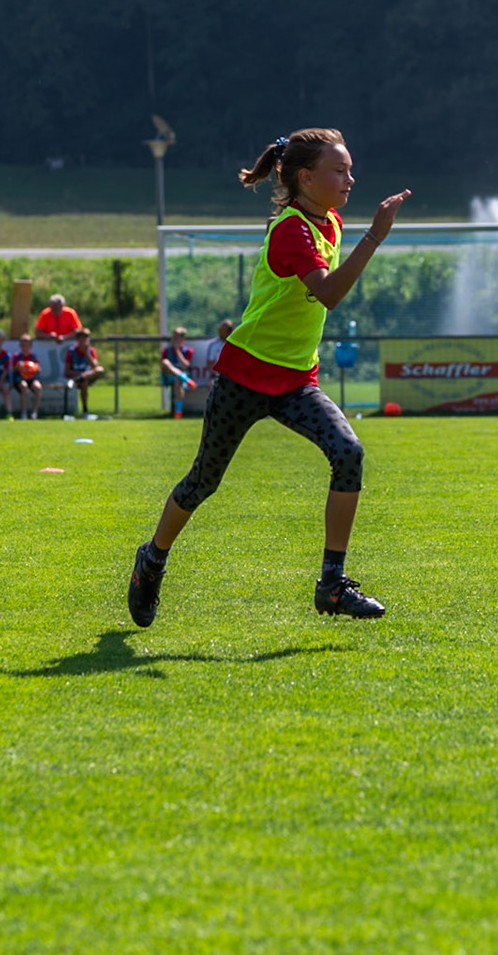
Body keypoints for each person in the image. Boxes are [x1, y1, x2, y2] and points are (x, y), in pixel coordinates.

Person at [126, 128, 411, 626]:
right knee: (203, 482)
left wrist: (364, 234)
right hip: (246, 376)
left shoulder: (330, 222)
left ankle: (332, 584)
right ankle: (151, 559)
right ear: (306, 177)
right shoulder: (291, 230)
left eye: (349, 170)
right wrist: (374, 237)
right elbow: (328, 294)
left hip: (297, 381)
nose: (350, 179)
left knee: (349, 454)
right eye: (339, 170)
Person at [64, 326, 105, 417]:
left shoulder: (91, 351)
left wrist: (86, 353)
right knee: (84, 382)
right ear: (77, 340)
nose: (84, 341)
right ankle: (85, 410)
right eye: (81, 339)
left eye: (86, 338)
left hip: (87, 377)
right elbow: (67, 372)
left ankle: (81, 378)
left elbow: (94, 367)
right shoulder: (71, 351)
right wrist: (80, 374)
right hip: (75, 377)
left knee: (100, 369)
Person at [159, 326, 195, 417]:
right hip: (168, 376)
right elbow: (163, 366)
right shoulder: (167, 351)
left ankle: (178, 412)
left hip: (181, 377)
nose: (174, 339)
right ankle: (188, 381)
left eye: (177, 337)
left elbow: (185, 365)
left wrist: (177, 350)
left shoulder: (188, 350)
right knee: (165, 362)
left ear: (182, 338)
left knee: (178, 380)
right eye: (173, 337)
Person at [12, 333, 44, 420]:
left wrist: (35, 367)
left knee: (38, 387)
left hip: (32, 378)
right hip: (20, 379)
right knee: (24, 386)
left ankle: (34, 412)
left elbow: (39, 370)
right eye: (23, 345)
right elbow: (13, 370)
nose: (25, 347)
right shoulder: (17, 356)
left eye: (27, 345)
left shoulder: (33, 357)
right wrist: (18, 366)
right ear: (20, 346)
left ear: (30, 346)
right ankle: (24, 413)